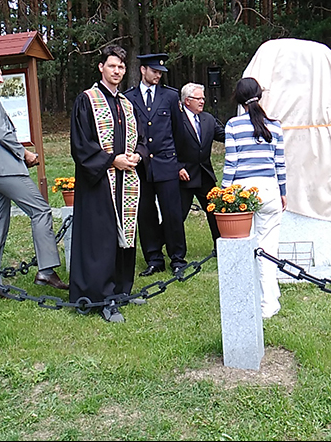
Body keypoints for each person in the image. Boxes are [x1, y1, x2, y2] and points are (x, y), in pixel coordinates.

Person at [0, 56, 68, 298]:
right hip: (1, 168)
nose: (1, 78)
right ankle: (46, 269)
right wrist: (25, 153)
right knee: (40, 210)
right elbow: (1, 132)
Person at [69, 45, 147, 323]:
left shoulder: (126, 104)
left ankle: (122, 289)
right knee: (101, 237)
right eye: (112, 66)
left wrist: (138, 154)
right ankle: (101, 296)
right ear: (101, 67)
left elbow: (141, 138)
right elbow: (82, 145)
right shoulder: (87, 100)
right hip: (99, 182)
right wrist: (112, 161)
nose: (117, 71)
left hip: (126, 180)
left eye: (121, 67)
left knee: (125, 235)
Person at [222, 77, 287, 319]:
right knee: (268, 249)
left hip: (242, 191)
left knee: (243, 247)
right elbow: (279, 163)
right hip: (269, 188)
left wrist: (224, 192)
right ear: (260, 95)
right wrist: (283, 192)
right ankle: (269, 303)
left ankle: (246, 298)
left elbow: (231, 163)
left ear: (238, 99)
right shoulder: (275, 126)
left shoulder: (233, 126)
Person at [124, 53, 187, 277]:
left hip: (166, 162)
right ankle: (154, 258)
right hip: (141, 165)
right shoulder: (128, 98)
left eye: (161, 73)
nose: (158, 76)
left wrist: (178, 163)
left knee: (172, 213)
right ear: (143, 70)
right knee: (146, 213)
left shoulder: (170, 97)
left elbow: (179, 132)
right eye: (154, 71)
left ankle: (178, 258)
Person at [174, 83, 225, 249]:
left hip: (205, 175)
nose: (202, 101)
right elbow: (166, 146)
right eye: (199, 98)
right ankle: (172, 250)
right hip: (184, 176)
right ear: (187, 101)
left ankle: (220, 247)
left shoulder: (208, 119)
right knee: (177, 215)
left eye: (203, 98)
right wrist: (177, 167)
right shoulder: (176, 119)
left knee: (215, 212)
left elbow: (224, 135)